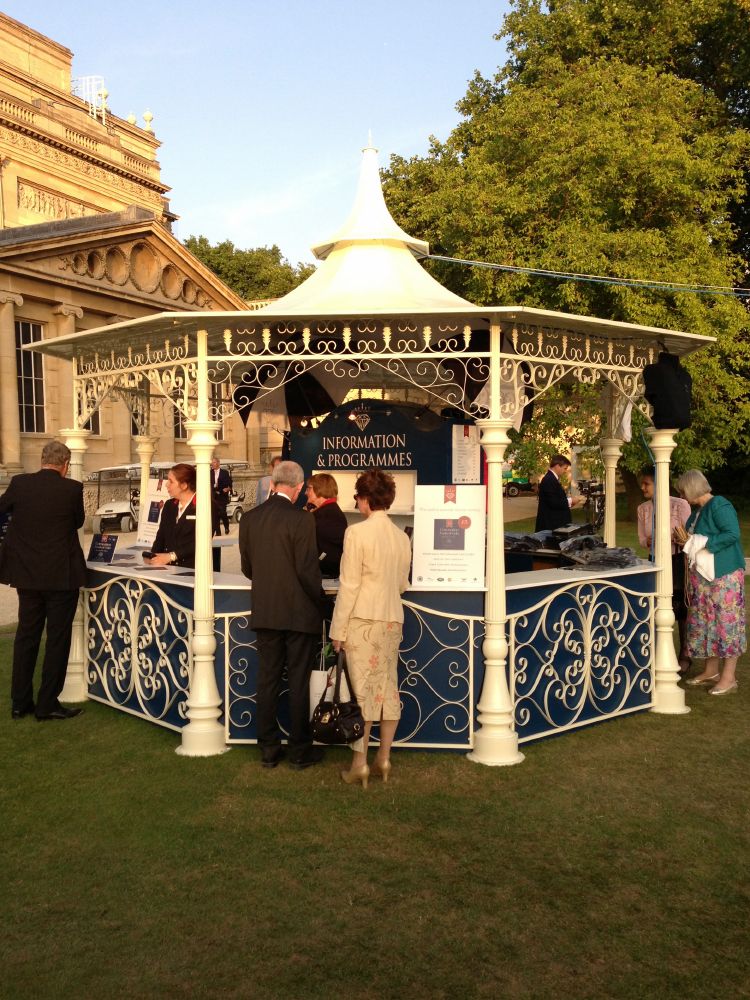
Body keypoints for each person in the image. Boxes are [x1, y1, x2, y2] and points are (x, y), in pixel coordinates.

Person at [329, 469, 412, 789]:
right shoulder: (401, 537)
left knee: (362, 693)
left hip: (362, 621)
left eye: (358, 497)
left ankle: (360, 763)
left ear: (364, 499)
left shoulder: (357, 534)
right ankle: (384, 758)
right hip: (393, 619)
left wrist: (338, 630)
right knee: (388, 688)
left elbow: (348, 586)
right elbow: (403, 584)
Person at [239, 460, 324, 769]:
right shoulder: (302, 520)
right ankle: (300, 750)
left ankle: (269, 749)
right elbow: (307, 571)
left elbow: (248, 568)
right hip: (299, 613)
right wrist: (321, 604)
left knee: (268, 680)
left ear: (273, 483)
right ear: (299, 488)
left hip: (265, 610)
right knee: (298, 683)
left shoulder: (250, 519)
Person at [0, 441, 86, 721]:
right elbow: (76, 521)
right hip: (61, 575)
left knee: (26, 636)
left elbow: (2, 510)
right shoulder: (72, 488)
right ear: (65, 465)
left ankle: (19, 702)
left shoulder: (20, 483)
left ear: (41, 460)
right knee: (57, 640)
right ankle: (47, 703)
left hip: (27, 574)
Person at [673, 470, 746, 695]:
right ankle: (711, 671)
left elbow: (732, 534)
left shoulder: (720, 505)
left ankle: (729, 677)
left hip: (724, 576)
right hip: (703, 578)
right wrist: (684, 541)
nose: (682, 495)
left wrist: (699, 542)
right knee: (706, 624)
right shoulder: (696, 513)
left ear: (692, 487)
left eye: (683, 491)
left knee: (726, 624)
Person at [637, 468, 692, 672]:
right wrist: (649, 540)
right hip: (655, 560)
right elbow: (642, 540)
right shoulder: (642, 509)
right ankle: (658, 653)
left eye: (647, 483)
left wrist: (675, 537)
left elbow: (690, 536)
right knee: (657, 606)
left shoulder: (680, 505)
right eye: (642, 483)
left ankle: (685, 655)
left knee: (680, 609)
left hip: (676, 560)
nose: (642, 487)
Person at [147, 464, 197, 568]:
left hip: (192, 571)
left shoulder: (205, 506)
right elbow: (161, 535)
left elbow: (200, 543)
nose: (166, 485)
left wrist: (172, 556)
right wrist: (152, 556)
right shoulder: (169, 505)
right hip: (166, 570)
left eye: (171, 481)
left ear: (184, 485)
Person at [305, 473, 347, 579]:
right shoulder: (327, 512)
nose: (306, 493)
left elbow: (328, 552)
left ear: (319, 489)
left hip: (325, 575)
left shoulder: (328, 515)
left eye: (309, 488)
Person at [535, 454, 585, 532]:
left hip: (556, 524)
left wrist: (571, 502)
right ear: (557, 466)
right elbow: (553, 502)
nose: (565, 471)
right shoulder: (549, 480)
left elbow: (557, 500)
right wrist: (571, 500)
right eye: (565, 468)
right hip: (551, 526)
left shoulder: (552, 479)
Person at [210, 457, 232, 535]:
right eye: (212, 462)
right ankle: (218, 532)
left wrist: (228, 488)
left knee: (222, 513)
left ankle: (226, 527)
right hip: (213, 496)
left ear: (218, 463)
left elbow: (229, 483)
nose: (212, 464)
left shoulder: (224, 472)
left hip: (222, 496)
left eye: (214, 462)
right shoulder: (209, 473)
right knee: (215, 514)